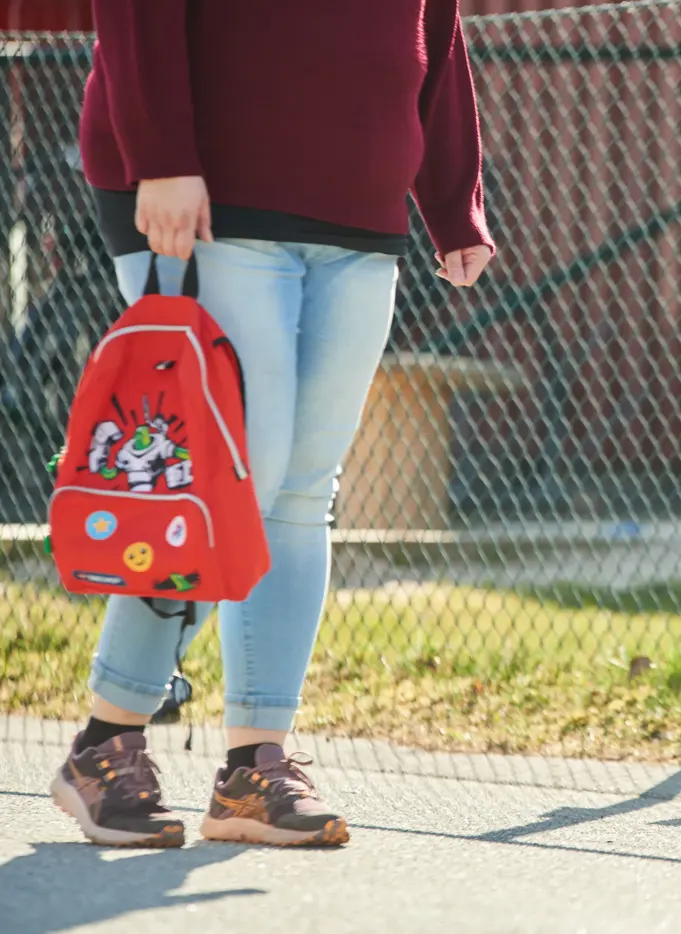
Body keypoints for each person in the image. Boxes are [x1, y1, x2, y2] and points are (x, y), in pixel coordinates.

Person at [50, 0, 494, 848]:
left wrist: (452, 197)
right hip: (211, 195)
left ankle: (256, 767)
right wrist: (163, 157)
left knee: (300, 490)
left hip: (360, 207)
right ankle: (106, 745)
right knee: (225, 483)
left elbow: (432, 28)